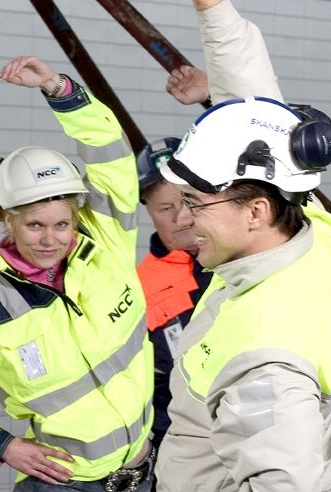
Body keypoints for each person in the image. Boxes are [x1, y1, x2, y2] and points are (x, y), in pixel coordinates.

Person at [0, 55, 155, 491]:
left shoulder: (108, 244)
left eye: (62, 224)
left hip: (143, 473)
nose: (50, 239)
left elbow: (110, 152)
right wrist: (2, 446)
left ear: (76, 218)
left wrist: (60, 89)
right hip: (62, 484)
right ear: (8, 220)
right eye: (34, 225)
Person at [153, 1, 331, 490]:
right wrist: (213, 9)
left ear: (255, 211)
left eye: (195, 203)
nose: (182, 221)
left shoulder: (264, 358)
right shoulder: (315, 230)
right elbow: (255, 102)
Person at [135, 138, 212, 455]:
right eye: (166, 209)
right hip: (179, 448)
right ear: (148, 210)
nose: (183, 219)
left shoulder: (244, 260)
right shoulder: (137, 288)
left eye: (189, 201)